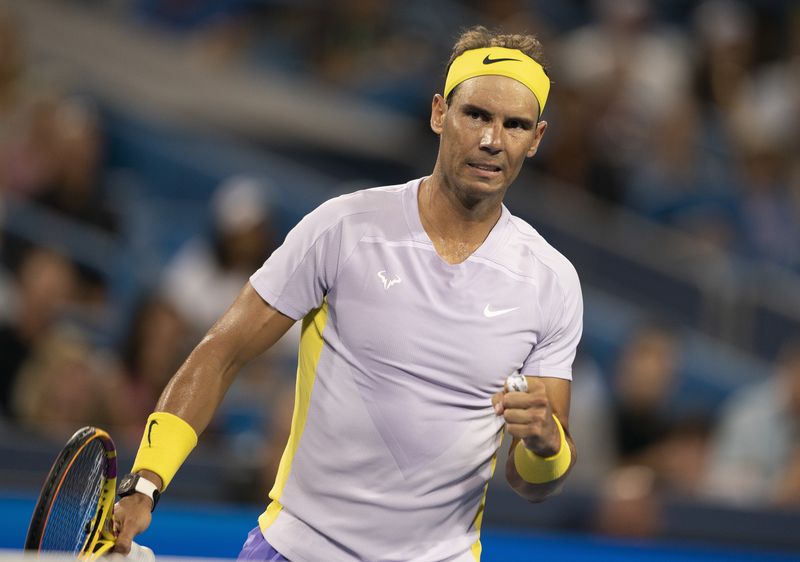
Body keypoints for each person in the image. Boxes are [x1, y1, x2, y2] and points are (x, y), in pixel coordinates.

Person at [112, 25, 583, 562]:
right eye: (475, 114)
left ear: (536, 138)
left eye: (514, 125)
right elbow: (221, 351)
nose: (491, 140)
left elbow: (535, 483)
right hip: (295, 550)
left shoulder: (552, 281)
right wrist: (145, 483)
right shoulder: (342, 227)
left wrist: (546, 445)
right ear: (438, 114)